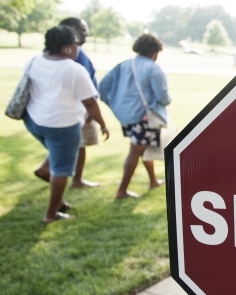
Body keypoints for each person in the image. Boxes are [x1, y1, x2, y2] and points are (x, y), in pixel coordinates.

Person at [22, 26, 110, 222]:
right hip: (62, 125)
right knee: (61, 170)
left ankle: (51, 182)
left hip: (34, 121)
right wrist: (103, 124)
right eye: (75, 44)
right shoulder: (74, 69)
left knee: (56, 157)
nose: (78, 48)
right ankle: (51, 213)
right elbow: (90, 102)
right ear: (67, 47)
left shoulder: (34, 61)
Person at [99, 34, 171, 199]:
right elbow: (162, 97)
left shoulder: (124, 65)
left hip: (127, 117)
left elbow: (103, 87)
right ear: (154, 51)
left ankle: (153, 181)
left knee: (143, 147)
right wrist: (167, 101)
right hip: (144, 117)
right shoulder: (152, 68)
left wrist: (116, 104)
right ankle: (122, 190)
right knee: (135, 152)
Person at [34, 17, 101, 188]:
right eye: (83, 30)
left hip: (64, 111)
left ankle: (53, 174)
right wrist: (93, 115)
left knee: (70, 145)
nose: (86, 34)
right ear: (71, 31)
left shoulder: (52, 53)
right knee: (74, 146)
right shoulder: (69, 56)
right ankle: (67, 182)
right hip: (76, 110)